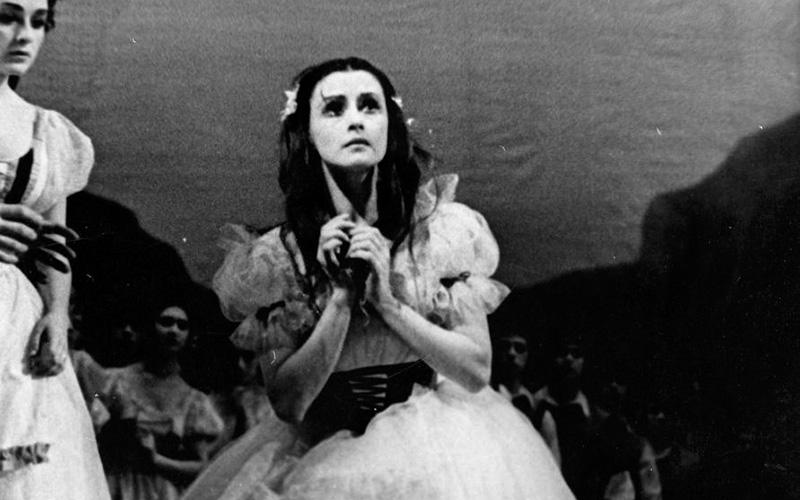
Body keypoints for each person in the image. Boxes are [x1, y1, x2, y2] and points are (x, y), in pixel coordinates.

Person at [184, 57, 574, 500]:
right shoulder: (276, 260)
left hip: (432, 452)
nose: (355, 120)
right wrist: (341, 299)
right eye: (334, 108)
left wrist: (388, 304)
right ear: (306, 132)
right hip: (318, 461)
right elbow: (288, 402)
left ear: (391, 125)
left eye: (370, 106)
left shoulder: (439, 236)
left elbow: (475, 369)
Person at [0, 1, 110, 498]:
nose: (25, 35)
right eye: (7, 17)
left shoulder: (45, 130)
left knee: (25, 467)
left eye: (38, 21)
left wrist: (58, 312)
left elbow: (54, 242)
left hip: (11, 320)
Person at [100, 300, 225, 500]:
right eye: (166, 322)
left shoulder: (194, 400)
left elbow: (202, 467)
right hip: (113, 487)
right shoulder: (115, 381)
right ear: (150, 327)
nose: (174, 330)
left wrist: (156, 461)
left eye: (182, 326)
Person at [493, 331, 561, 465]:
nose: (511, 353)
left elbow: (554, 465)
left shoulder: (539, 412)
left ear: (528, 356)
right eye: (505, 346)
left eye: (519, 348)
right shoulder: (482, 398)